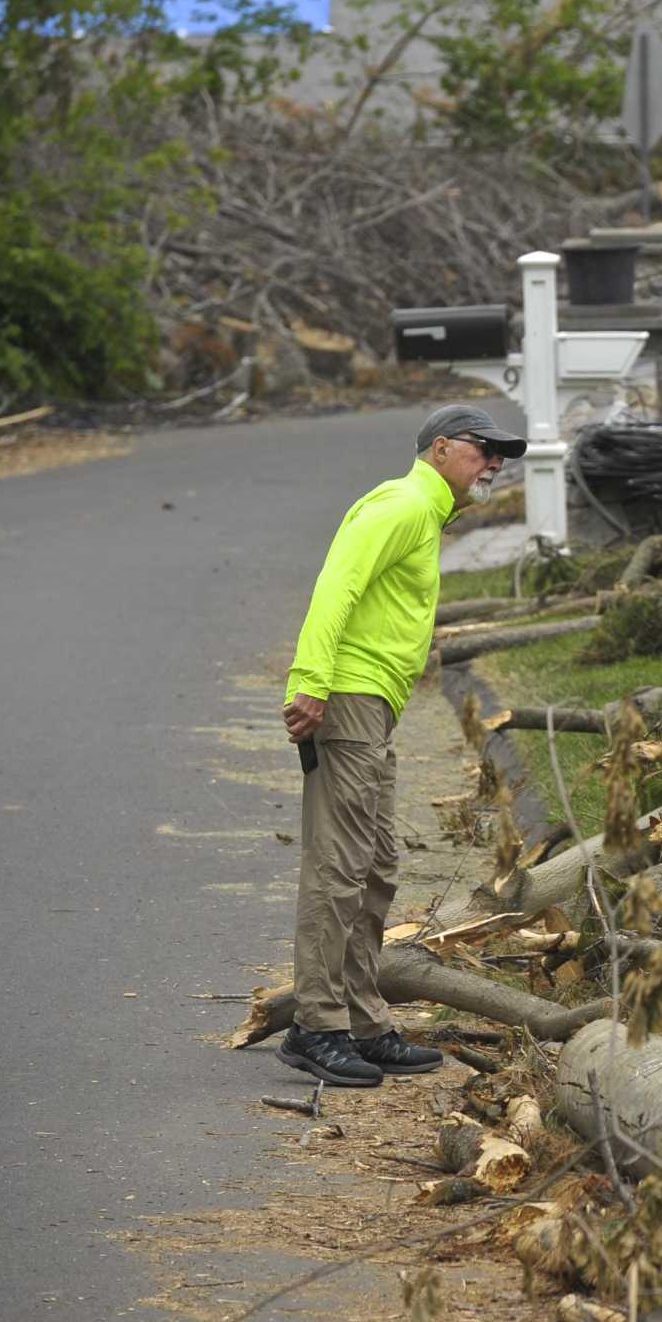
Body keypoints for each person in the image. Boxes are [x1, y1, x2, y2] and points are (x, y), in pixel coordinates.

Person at [276, 405, 527, 1086]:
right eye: (483, 448)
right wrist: (310, 681)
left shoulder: (426, 514)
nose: (494, 463)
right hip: (348, 698)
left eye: (501, 454)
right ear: (439, 448)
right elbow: (337, 584)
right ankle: (315, 1026)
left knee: (376, 865)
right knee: (339, 866)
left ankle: (362, 1021)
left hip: (373, 707)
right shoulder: (404, 503)